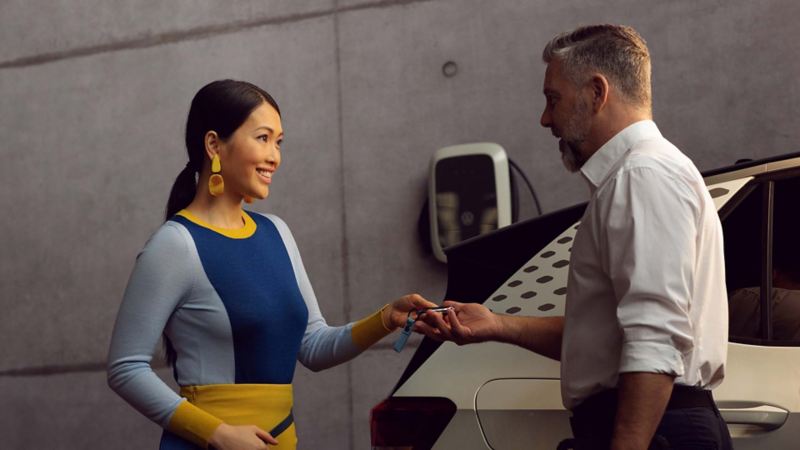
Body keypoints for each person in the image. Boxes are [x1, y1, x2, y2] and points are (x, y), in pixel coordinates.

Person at [417, 25, 733, 450]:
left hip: (656, 431)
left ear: (597, 92)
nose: (545, 119)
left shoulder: (642, 176)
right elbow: (612, 336)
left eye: (553, 99)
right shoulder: (641, 174)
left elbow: (656, 334)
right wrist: (496, 325)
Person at [107, 79, 436, 450]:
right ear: (214, 144)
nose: (274, 156)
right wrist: (218, 434)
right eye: (263, 138)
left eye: (279, 142)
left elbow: (313, 346)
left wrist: (387, 317)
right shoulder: (175, 244)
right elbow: (125, 367)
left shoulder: (277, 232)